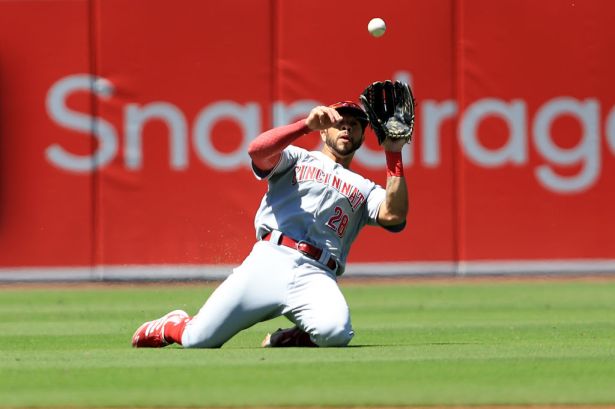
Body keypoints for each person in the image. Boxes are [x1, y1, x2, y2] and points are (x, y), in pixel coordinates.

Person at [131, 99, 409, 348]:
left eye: (355, 125)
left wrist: (393, 152)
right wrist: (304, 125)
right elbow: (257, 150)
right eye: (340, 122)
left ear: (363, 136)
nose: (347, 128)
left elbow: (394, 215)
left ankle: (294, 336)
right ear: (325, 130)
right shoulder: (298, 158)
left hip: (317, 274)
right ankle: (173, 323)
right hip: (269, 260)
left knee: (335, 333)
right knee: (198, 340)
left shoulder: (364, 188)